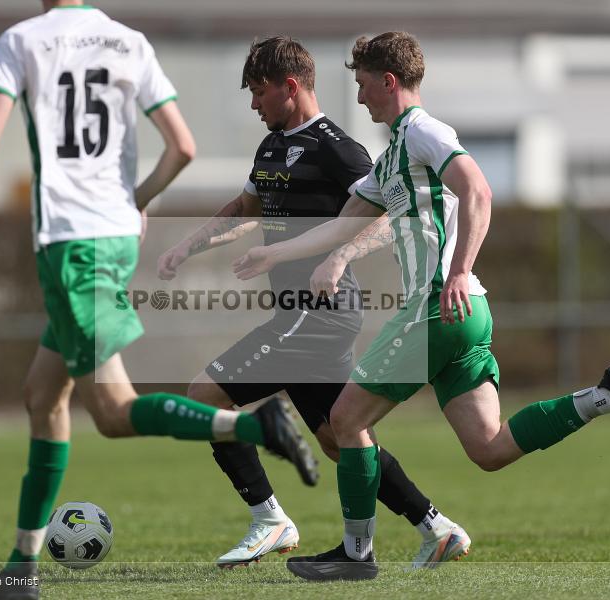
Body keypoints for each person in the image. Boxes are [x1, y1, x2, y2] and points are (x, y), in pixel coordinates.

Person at [0, 3, 316, 599]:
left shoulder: (23, 40)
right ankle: (20, 573)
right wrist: (137, 200)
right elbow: (182, 147)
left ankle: (255, 424)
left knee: (112, 412)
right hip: (112, 238)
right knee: (42, 394)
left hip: (72, 245)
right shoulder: (128, 41)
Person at [232, 31, 610, 581]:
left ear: (389, 82)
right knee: (490, 448)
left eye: (364, 84)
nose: (360, 95)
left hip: (437, 306)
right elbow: (343, 224)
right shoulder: (392, 156)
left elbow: (478, 190)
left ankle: (355, 553)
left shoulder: (423, 131)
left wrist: (461, 270)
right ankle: (604, 396)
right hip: (466, 315)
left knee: (345, 420)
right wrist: (277, 252)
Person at [157, 36, 468, 569]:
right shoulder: (271, 147)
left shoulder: (338, 149)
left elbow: (387, 216)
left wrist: (341, 257)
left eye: (259, 92)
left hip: (320, 312)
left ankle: (269, 520)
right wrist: (188, 245)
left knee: (205, 395)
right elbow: (245, 208)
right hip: (296, 313)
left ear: (290, 86)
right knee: (340, 439)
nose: (253, 104)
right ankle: (436, 528)